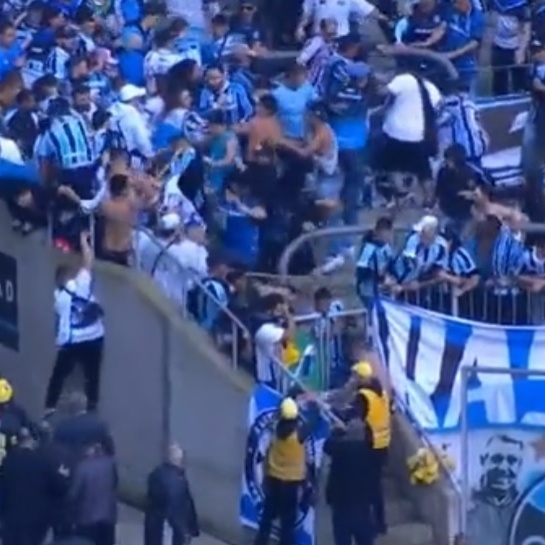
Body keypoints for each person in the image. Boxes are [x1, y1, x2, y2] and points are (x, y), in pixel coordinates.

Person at [45, 232, 105, 416]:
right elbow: (88, 261)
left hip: (72, 342)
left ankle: (50, 406)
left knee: (59, 375)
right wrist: (84, 243)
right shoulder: (81, 284)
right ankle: (92, 406)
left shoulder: (59, 298)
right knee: (92, 375)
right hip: (94, 337)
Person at [254, 397, 314, 545]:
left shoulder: (275, 429)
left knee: (266, 519)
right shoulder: (298, 435)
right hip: (290, 485)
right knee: (287, 525)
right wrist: (309, 403)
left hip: (273, 480)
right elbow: (313, 421)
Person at [0, 427, 68, 545]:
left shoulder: (7, 462)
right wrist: (62, 475)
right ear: (32, 440)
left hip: (11, 519)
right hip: (37, 520)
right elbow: (60, 488)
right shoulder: (43, 461)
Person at [324, 400, 376, 545]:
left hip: (342, 506)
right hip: (362, 505)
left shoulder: (340, 450)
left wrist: (336, 432)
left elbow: (327, 446)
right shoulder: (367, 451)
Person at [144, 442, 200, 545]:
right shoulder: (178, 482)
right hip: (169, 529)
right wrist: (190, 530)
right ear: (179, 461)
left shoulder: (155, 474)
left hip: (155, 526)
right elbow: (182, 508)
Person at [69, 443, 118, 545]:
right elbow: (114, 484)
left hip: (86, 518)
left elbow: (74, 493)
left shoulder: (82, 467)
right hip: (108, 517)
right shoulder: (110, 464)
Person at [52, 391, 115, 463]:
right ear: (85, 405)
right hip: (92, 466)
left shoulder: (62, 427)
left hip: (69, 467)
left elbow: (54, 453)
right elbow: (110, 450)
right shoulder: (99, 424)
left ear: (70, 407)